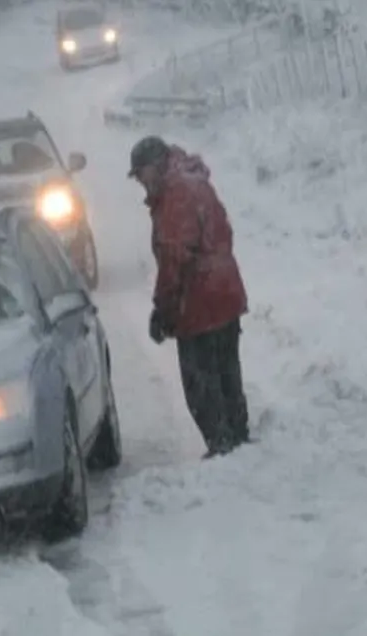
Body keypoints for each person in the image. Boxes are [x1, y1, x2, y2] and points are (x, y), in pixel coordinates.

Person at [128, 135, 251, 459]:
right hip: (225, 290)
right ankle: (238, 439)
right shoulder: (195, 182)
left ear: (155, 166)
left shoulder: (175, 194)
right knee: (226, 370)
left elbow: (175, 256)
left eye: (141, 174)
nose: (140, 182)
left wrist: (163, 308)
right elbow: (223, 232)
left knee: (200, 382)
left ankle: (222, 445)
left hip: (200, 302)